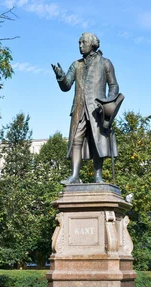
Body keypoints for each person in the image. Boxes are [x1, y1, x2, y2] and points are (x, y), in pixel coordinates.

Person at [52, 32, 121, 184]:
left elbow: (114, 85)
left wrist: (109, 101)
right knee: (76, 140)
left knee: (97, 142)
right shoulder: (76, 64)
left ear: (92, 44)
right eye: (79, 43)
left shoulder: (105, 63)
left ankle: (98, 176)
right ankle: (75, 176)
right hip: (79, 109)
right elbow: (67, 86)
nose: (80, 46)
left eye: (83, 42)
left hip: (97, 109)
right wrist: (60, 77)